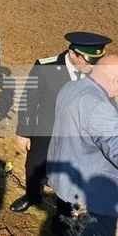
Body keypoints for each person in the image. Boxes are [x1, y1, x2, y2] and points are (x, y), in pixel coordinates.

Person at [9, 32, 98, 213]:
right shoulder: (45, 67)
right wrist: (24, 131)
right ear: (73, 53)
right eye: (88, 61)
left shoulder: (96, 73)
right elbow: (29, 100)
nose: (91, 66)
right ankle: (32, 196)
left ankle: (63, 215)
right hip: (45, 131)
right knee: (34, 167)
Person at [47, 39, 115, 236]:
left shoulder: (71, 87)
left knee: (63, 227)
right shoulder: (100, 107)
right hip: (91, 197)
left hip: (65, 185)